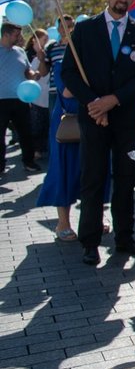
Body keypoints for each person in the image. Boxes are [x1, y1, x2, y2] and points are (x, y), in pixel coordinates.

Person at [61, 0, 135, 266]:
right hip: (93, 119)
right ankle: (89, 241)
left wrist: (112, 101)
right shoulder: (85, 29)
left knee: (126, 178)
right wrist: (94, 103)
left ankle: (124, 238)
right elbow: (68, 72)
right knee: (93, 178)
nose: (123, 1)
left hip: (126, 117)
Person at [37, 17, 85, 241]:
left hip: (88, 112)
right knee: (63, 166)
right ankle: (63, 222)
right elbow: (63, 85)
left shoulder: (86, 50)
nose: (68, 31)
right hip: (65, 111)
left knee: (90, 167)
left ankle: (91, 216)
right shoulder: (55, 50)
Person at [1, 22, 45, 175]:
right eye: (15, 35)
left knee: (26, 132)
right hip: (1, 100)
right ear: (5, 34)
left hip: (20, 99)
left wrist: (35, 75)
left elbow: (28, 71)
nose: (19, 37)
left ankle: (29, 161)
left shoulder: (20, 51)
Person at [27, 29, 50, 157]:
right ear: (35, 40)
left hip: (47, 96)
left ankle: (44, 147)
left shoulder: (48, 53)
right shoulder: (32, 57)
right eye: (44, 40)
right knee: (37, 125)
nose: (46, 42)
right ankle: (36, 149)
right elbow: (36, 74)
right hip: (36, 97)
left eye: (47, 40)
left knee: (46, 124)